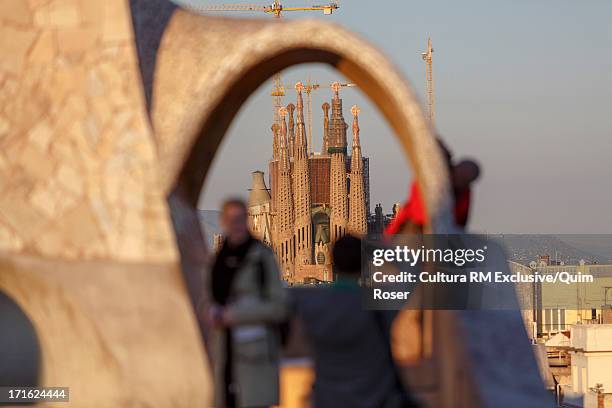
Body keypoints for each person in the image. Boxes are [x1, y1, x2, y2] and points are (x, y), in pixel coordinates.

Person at [294, 235, 420, 408]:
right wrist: (377, 250)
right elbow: (412, 268)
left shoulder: (310, 303)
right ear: (364, 263)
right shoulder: (380, 302)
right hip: (376, 399)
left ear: (333, 263)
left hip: (328, 399)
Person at [207, 198, 287, 408]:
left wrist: (236, 315)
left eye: (241, 218)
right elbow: (207, 297)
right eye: (231, 219)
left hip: (255, 355)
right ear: (223, 221)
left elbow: (280, 306)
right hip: (224, 352)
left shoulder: (261, 257)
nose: (236, 224)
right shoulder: (218, 259)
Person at [385, 139, 480, 234]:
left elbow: (458, 222)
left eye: (463, 178)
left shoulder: (462, 195)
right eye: (459, 174)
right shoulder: (432, 178)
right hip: (412, 230)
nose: (458, 178)